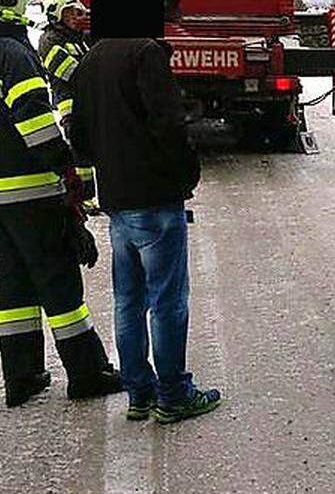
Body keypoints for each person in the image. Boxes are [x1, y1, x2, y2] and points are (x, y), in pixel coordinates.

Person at [0, 0, 121, 407]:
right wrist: (65, 166)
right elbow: (36, 123)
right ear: (11, 7)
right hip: (30, 195)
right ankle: (87, 372)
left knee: (13, 286)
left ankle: (21, 377)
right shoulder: (12, 54)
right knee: (59, 282)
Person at [69, 36, 221, 424]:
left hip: (117, 199)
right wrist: (187, 173)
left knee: (128, 301)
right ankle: (173, 395)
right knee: (168, 300)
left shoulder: (91, 58)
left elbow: (79, 136)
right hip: (155, 197)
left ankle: (139, 392)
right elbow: (169, 123)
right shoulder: (146, 54)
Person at [37, 0, 96, 206]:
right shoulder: (49, 41)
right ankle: (84, 197)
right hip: (69, 105)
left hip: (86, 101)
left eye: (76, 12)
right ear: (56, 16)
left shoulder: (78, 40)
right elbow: (72, 72)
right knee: (79, 153)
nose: (76, 18)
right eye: (70, 14)